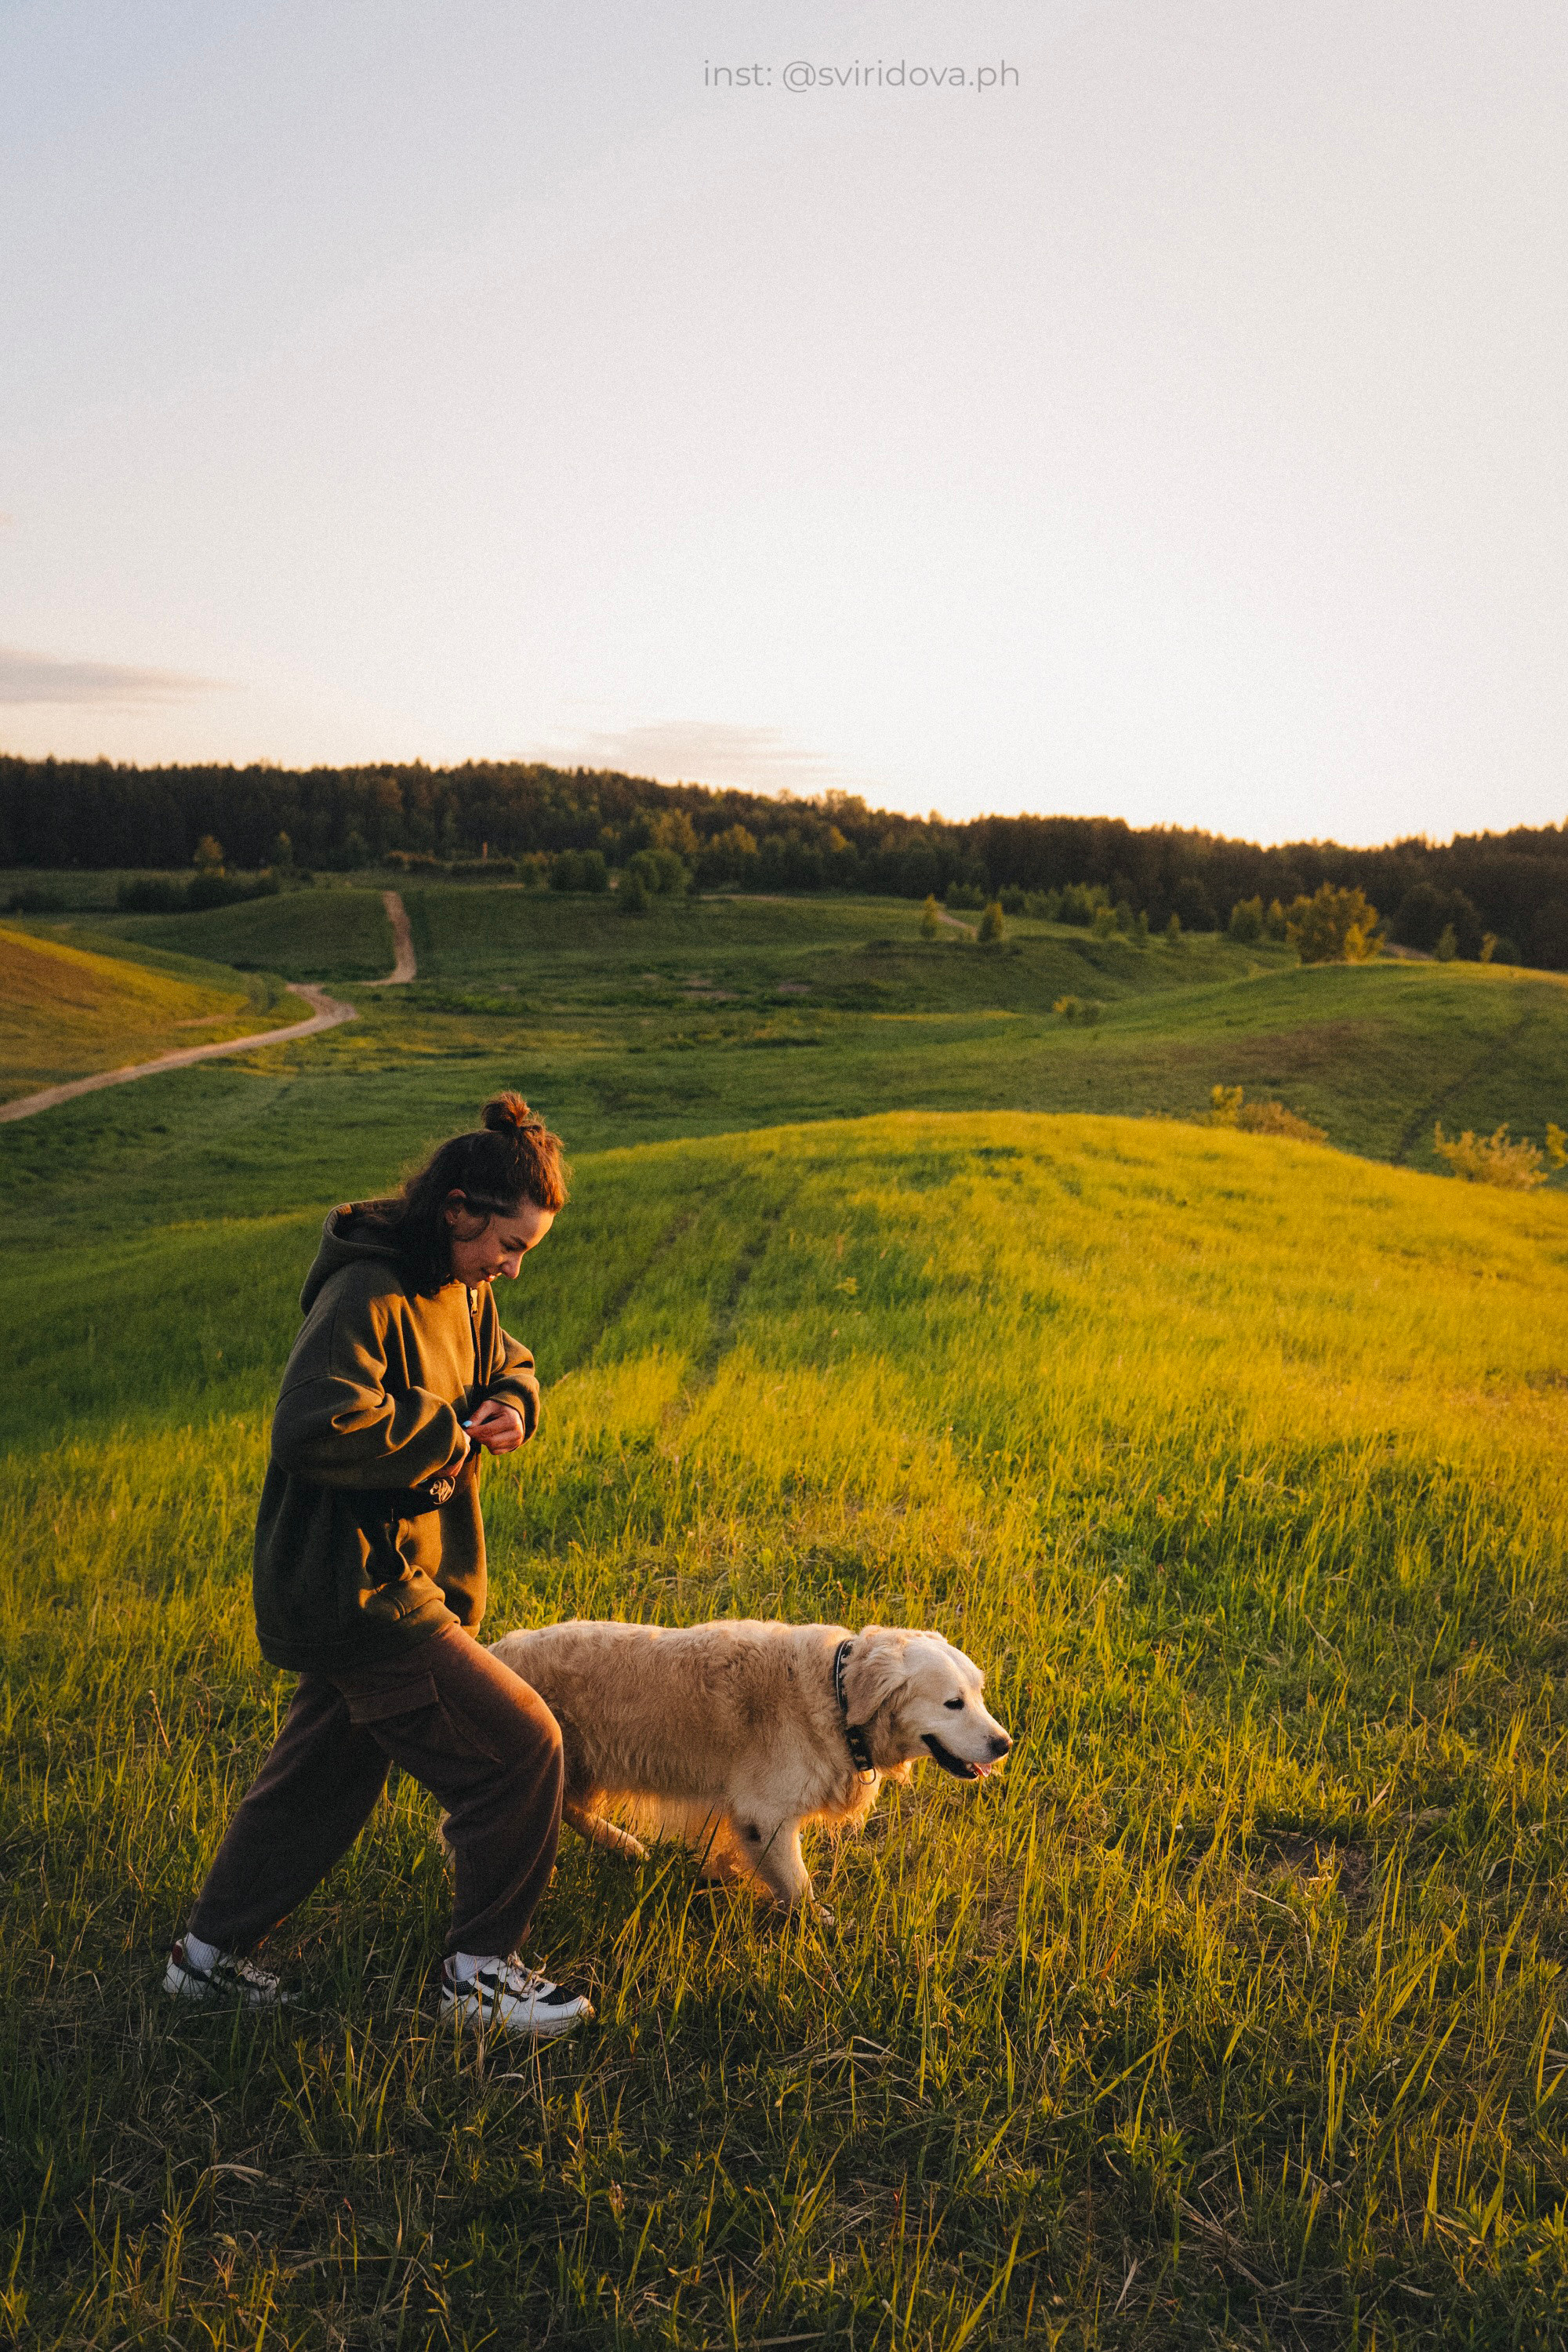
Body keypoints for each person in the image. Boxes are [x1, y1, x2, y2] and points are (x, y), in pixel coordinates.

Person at [164, 1092, 591, 2039]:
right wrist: (447, 1434)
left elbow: (505, 1356)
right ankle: (477, 1977)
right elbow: (310, 1424)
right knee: (521, 1750)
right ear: (457, 1209)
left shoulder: (460, 1284)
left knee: (318, 1778)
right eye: (507, 1246)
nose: (511, 1268)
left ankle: (205, 1961)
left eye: (524, 1252)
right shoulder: (367, 1290)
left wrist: (513, 1401)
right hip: (359, 1588)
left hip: (389, 1579)